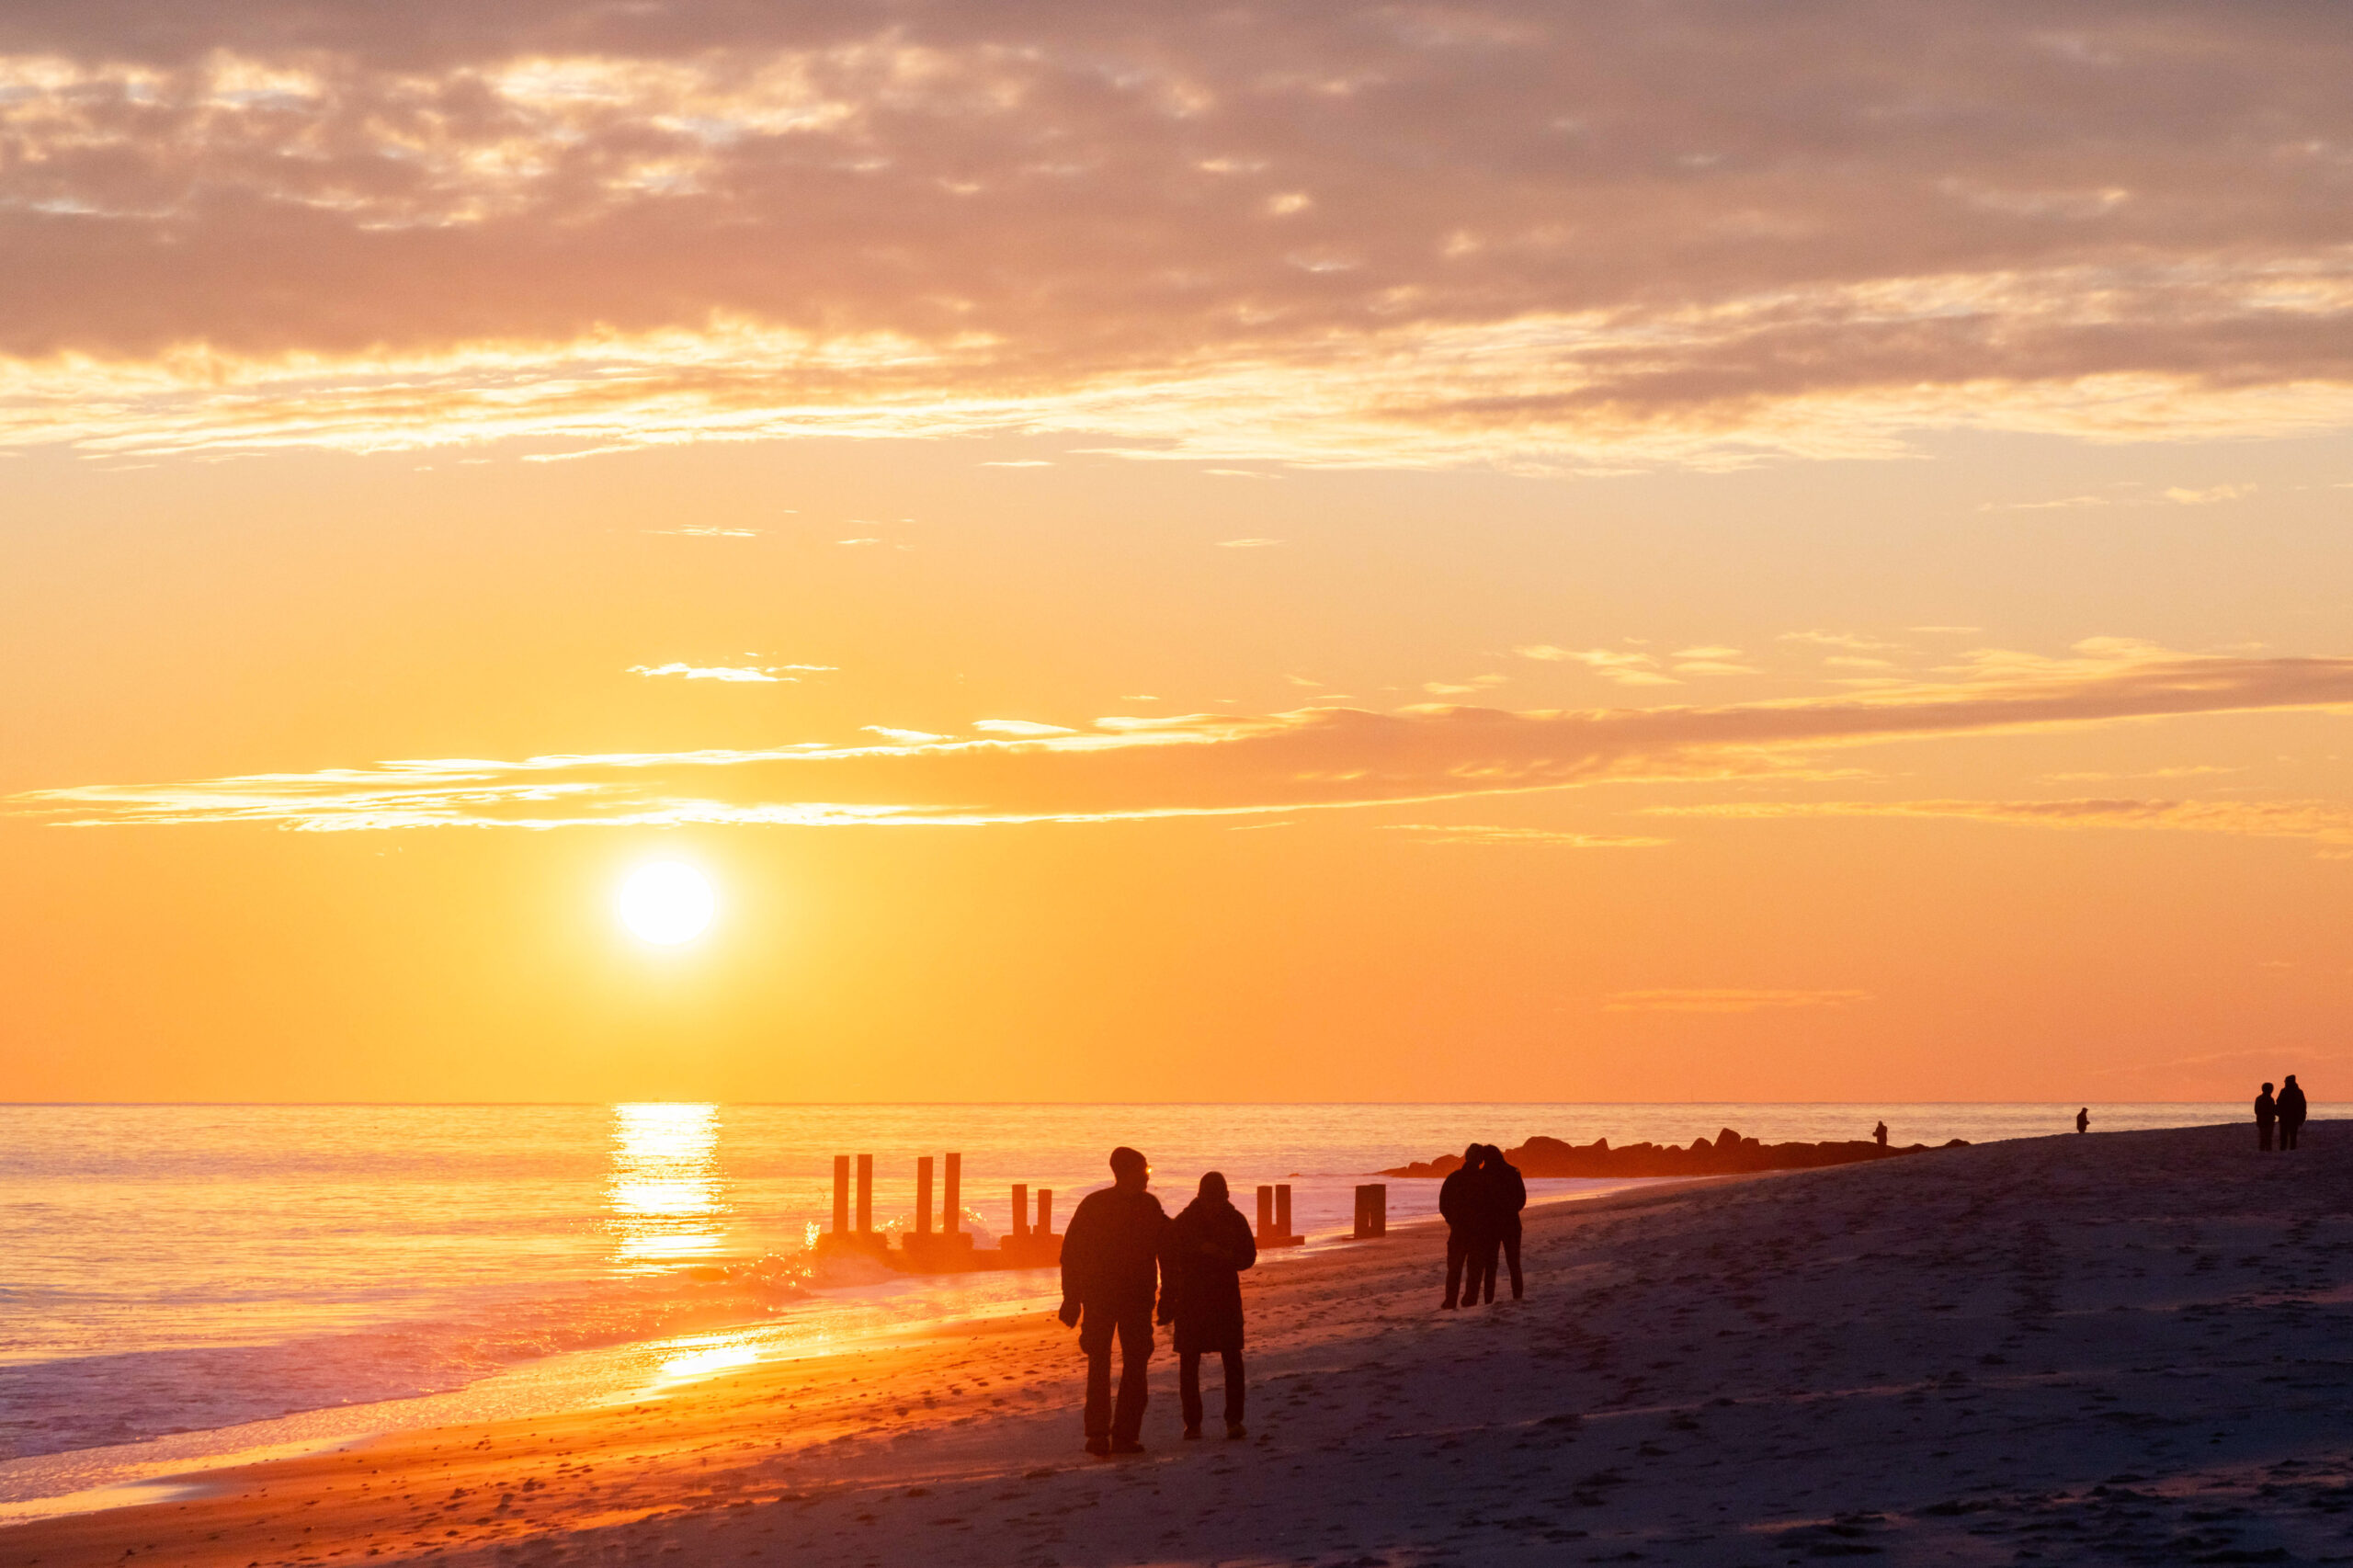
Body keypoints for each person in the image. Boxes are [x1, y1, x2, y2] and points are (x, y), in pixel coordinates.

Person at [1058, 1146, 1169, 1456]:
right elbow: (1072, 1255)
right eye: (1144, 1171)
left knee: (1135, 1365)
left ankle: (1124, 1435)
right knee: (1100, 1363)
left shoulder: (1149, 1206)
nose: (1148, 1177)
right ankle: (1098, 1434)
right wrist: (1071, 1299)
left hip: (1135, 1299)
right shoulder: (1095, 1205)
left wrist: (1170, 1294)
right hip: (1101, 1298)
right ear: (1127, 1172)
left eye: (1148, 1171)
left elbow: (1168, 1247)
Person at [1157, 1171, 1256, 1440]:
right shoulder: (1185, 1221)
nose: (1214, 1206)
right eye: (1210, 1200)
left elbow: (1249, 1256)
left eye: (1219, 1200)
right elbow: (1168, 1252)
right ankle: (1193, 1423)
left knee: (1232, 1358)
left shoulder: (1235, 1219)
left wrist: (1227, 1256)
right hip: (1192, 1297)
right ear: (1200, 1197)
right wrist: (1198, 1252)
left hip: (1225, 1296)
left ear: (1226, 1198)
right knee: (1189, 1361)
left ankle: (1234, 1420)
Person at [1438, 1144, 1487, 1310]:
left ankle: (1450, 1300)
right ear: (1480, 1160)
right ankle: (1469, 1299)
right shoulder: (1483, 1179)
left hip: (1458, 1229)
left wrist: (1451, 1220)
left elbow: (1443, 1203)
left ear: (1466, 1157)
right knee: (1475, 1268)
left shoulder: (1454, 1177)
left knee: (1454, 1268)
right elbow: (1491, 1204)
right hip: (1478, 1230)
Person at [1481, 1142, 1528, 1301]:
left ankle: (1488, 1300)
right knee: (1514, 1263)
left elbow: (1478, 1202)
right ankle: (1517, 1297)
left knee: (1490, 1266)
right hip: (1512, 1223)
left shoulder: (1483, 1175)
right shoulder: (1513, 1172)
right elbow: (1521, 1200)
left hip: (1490, 1225)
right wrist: (1510, 1210)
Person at [2279, 1074, 2308, 1151]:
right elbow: (2303, 1105)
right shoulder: (2298, 1092)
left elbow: (2302, 1105)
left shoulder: (2285, 1091)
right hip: (2290, 1117)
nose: (2285, 1083)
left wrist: (2302, 1116)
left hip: (2289, 1117)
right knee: (2289, 1136)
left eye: (2286, 1081)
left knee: (2287, 1136)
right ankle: (2288, 1150)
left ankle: (2286, 1150)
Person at [2256, 1082, 2278, 1153]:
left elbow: (2256, 1110)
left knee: (2263, 1137)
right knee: (2268, 1137)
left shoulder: (2259, 1098)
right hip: (2268, 1120)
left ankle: (2263, 1150)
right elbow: (2272, 1110)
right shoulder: (2270, 1099)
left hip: (2261, 1120)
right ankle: (2267, 1150)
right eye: (2271, 1089)